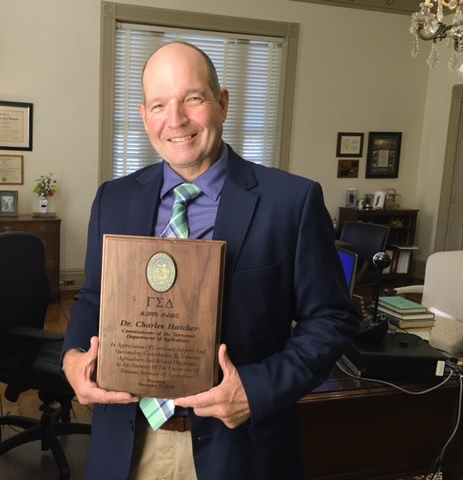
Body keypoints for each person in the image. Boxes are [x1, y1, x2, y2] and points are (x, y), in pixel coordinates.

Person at [62, 41, 359, 479]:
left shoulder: (291, 202)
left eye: (193, 99)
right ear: (145, 116)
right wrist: (72, 357)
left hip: (239, 451)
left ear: (222, 103)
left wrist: (255, 391)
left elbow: (333, 319)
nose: (176, 120)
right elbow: (92, 298)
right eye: (160, 104)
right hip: (125, 444)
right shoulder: (114, 198)